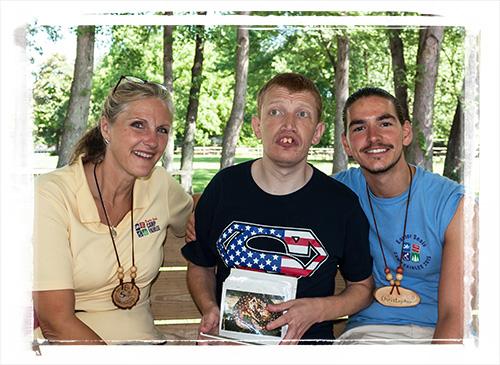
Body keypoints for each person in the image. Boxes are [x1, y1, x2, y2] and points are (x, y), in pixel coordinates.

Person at [181, 72, 374, 345]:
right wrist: (210, 308)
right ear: (257, 126)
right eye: (276, 112)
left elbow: (362, 289)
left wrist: (318, 310)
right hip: (232, 343)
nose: (289, 125)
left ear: (317, 132)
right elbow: (200, 266)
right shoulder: (225, 188)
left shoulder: (340, 203)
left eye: (302, 114)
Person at [32, 76, 193, 345]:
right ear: (106, 128)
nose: (152, 141)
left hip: (146, 343)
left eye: (162, 130)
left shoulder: (159, 185)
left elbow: (199, 213)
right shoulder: (52, 193)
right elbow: (55, 322)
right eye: (138, 125)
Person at [334, 87, 465, 344]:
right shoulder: (336, 194)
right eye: (359, 128)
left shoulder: (452, 203)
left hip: (433, 334)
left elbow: (454, 315)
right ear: (346, 143)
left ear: (405, 133)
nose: (373, 137)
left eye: (384, 123)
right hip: (364, 335)